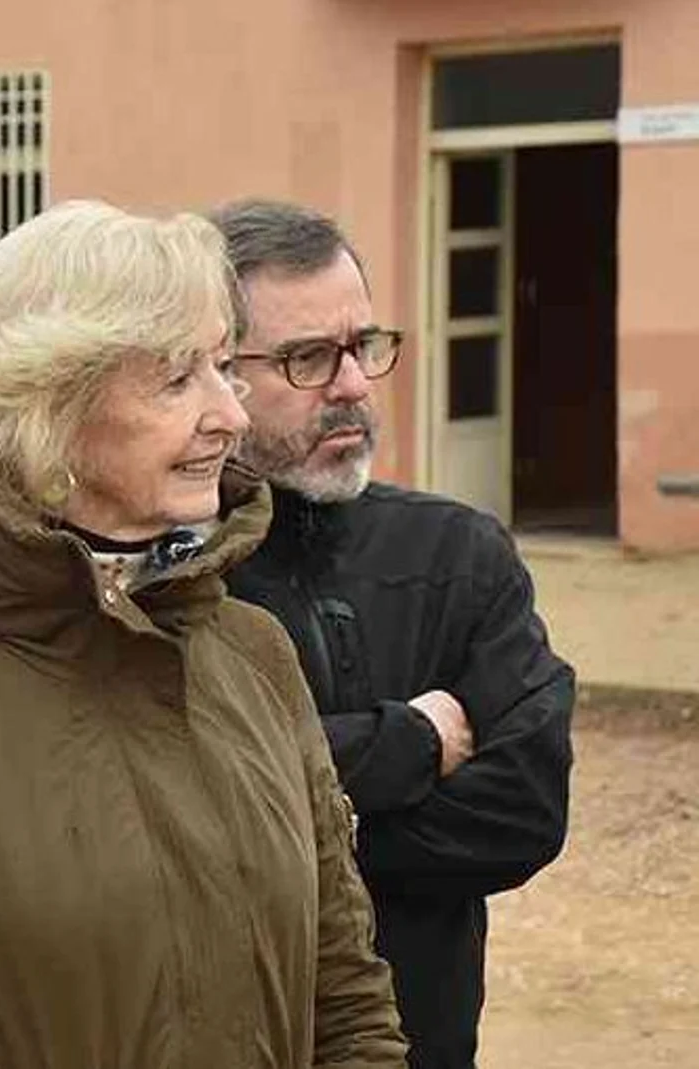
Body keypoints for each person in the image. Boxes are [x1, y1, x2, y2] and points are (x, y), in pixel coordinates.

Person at [0, 200, 407, 1069]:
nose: (231, 417)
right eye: (178, 379)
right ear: (46, 408)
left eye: (221, 368)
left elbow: (348, 1001)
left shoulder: (252, 652)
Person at [212, 199, 574, 1069]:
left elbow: (523, 813)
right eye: (308, 358)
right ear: (215, 371)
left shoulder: (456, 554)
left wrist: (283, 825)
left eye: (364, 346)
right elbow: (156, 806)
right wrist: (407, 740)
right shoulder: (165, 576)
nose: (352, 385)